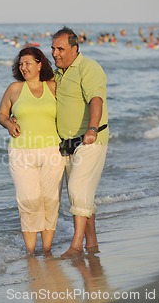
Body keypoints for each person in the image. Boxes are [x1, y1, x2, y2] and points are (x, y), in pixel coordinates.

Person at [0, 47, 65, 256]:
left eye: (27, 63)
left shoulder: (53, 87)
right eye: (20, 64)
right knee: (28, 200)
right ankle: (29, 252)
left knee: (50, 200)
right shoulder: (15, 88)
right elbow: (1, 114)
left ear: (39, 64)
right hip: (21, 153)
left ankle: (46, 250)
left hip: (53, 151)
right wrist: (8, 124)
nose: (23, 67)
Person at [50, 27, 109, 259]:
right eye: (53, 48)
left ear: (75, 49)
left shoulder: (88, 67)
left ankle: (76, 246)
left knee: (77, 189)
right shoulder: (58, 74)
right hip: (66, 144)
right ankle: (91, 242)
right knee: (82, 195)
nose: (55, 53)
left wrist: (92, 129)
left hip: (91, 140)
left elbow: (96, 98)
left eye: (60, 49)